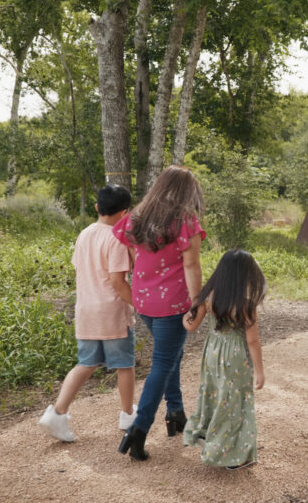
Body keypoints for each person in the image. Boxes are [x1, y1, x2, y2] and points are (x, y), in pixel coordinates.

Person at [114, 166, 206, 461]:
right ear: (186, 192)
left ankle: (176, 413)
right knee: (163, 363)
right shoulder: (185, 222)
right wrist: (197, 303)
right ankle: (138, 429)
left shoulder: (136, 218)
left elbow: (131, 252)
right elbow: (191, 266)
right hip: (172, 305)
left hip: (144, 302)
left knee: (171, 356)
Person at [39, 184, 136, 442]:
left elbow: (81, 268)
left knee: (86, 363)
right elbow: (118, 281)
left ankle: (57, 413)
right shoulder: (117, 238)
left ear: (96, 207)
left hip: (86, 311)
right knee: (124, 364)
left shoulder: (84, 234)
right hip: (112, 312)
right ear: (125, 213)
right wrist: (138, 303)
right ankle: (128, 415)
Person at [181, 249, 266, 470]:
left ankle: (214, 439)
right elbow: (253, 341)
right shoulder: (245, 305)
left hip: (213, 352)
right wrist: (259, 371)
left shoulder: (208, 296)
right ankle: (230, 453)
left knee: (215, 396)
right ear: (245, 276)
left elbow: (190, 327)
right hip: (236, 356)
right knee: (235, 403)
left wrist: (184, 316)